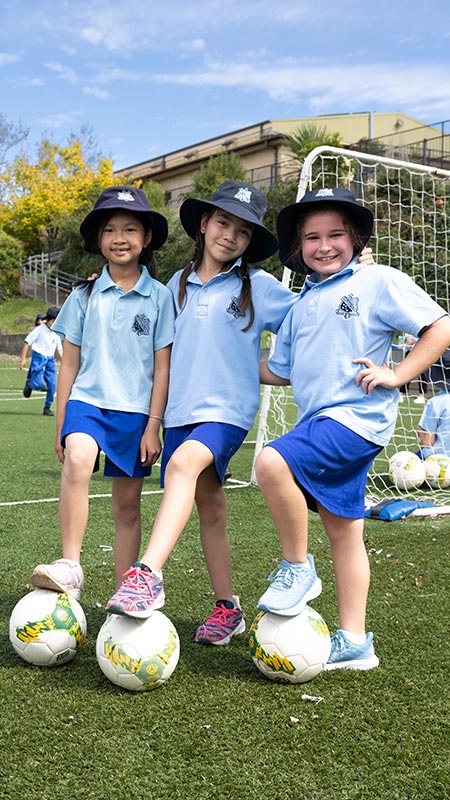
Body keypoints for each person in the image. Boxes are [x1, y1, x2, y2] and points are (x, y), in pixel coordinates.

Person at [105, 181, 375, 646]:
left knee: (184, 466)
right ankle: (228, 608)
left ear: (251, 243)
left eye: (243, 231)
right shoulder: (175, 286)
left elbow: (316, 316)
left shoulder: (262, 287)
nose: (231, 235)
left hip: (226, 414)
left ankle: (147, 574)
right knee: (210, 508)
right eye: (224, 222)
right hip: (177, 414)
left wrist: (356, 276)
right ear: (205, 224)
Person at [253, 187, 450, 670]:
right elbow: (280, 370)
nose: (324, 245)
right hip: (323, 421)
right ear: (298, 248)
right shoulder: (300, 306)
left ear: (356, 237)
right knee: (346, 533)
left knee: (269, 462)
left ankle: (297, 568)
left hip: (355, 421)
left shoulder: (378, 280)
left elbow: (440, 326)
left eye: (335, 234)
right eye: (312, 237)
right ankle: (355, 642)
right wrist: (214, 355)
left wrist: (400, 375)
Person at [30, 186, 175, 597]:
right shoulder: (83, 295)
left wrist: (153, 426)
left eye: (130, 228)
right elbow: (69, 364)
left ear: (146, 238)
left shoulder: (161, 297)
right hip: (87, 403)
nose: (120, 238)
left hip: (135, 413)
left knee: (127, 508)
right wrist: (61, 422)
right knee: (78, 459)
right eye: (110, 229)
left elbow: (163, 367)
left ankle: (125, 591)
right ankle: (70, 565)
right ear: (99, 239)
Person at [20, 306, 63, 416]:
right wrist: (23, 358)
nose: (54, 323)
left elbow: (60, 350)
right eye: (53, 321)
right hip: (38, 358)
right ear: (48, 320)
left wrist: (66, 362)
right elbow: (27, 342)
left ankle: (47, 408)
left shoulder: (56, 333)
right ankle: (30, 384)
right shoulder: (39, 330)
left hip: (50, 360)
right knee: (39, 385)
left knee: (52, 386)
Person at [416, 356, 450, 459]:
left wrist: (419, 430)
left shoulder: (436, 402)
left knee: (402, 461)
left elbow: (428, 441)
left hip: (437, 460)